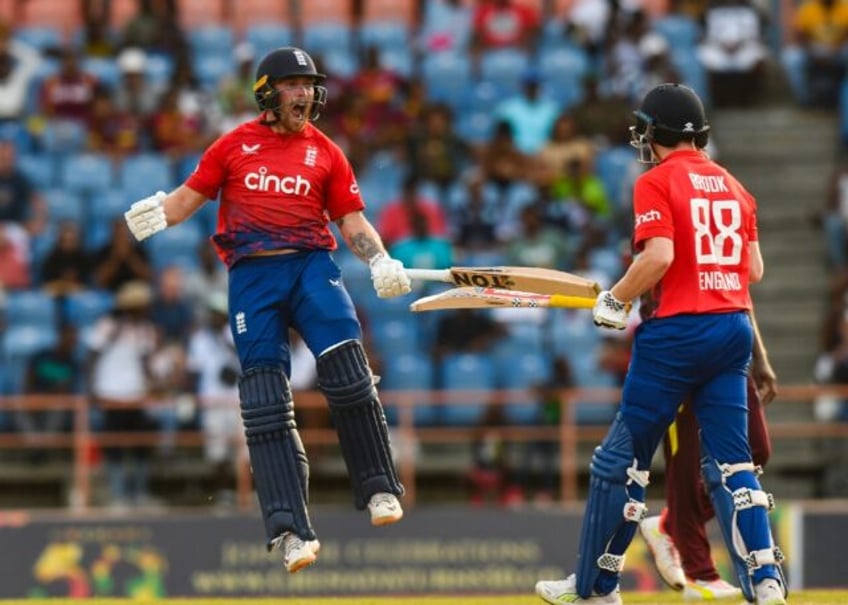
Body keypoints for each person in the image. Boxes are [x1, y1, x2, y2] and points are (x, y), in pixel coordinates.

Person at [123, 46, 411, 574]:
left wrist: (380, 259)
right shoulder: (233, 146)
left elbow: (352, 223)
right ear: (266, 92)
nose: (305, 93)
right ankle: (289, 529)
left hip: (310, 267)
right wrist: (156, 215)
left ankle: (379, 489)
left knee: (349, 374)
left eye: (309, 84)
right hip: (252, 276)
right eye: (293, 84)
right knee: (263, 402)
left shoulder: (326, 151)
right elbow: (188, 198)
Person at [534, 83, 787, 605]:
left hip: (677, 333)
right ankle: (767, 586)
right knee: (734, 465)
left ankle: (594, 587)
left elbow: (658, 258)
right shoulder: (736, 186)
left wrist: (615, 299)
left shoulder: (655, 180)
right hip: (732, 328)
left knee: (619, 463)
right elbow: (754, 269)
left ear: (656, 133)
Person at [639, 303, 778, 599]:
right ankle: (700, 574)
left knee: (755, 451)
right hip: (680, 348)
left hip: (728, 345)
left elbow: (740, 289)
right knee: (688, 463)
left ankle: (668, 525)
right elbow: (650, 288)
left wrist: (761, 357)